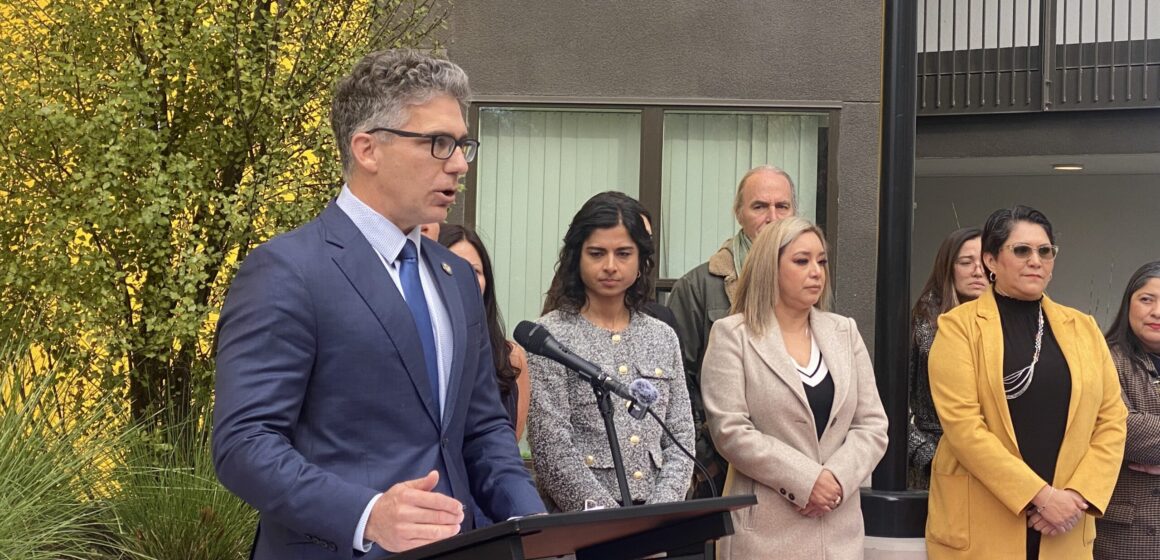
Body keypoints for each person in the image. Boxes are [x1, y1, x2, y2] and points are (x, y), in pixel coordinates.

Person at [212, 49, 545, 559]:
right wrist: (366, 515)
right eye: (438, 143)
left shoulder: (455, 278)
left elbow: (482, 431)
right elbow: (245, 444)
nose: (459, 164)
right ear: (367, 149)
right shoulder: (288, 270)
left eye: (461, 145)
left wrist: (533, 524)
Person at [926, 205, 1127, 559]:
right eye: (1021, 250)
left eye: (1045, 251)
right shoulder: (958, 328)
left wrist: (1076, 497)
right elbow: (963, 427)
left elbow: (1111, 420)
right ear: (990, 260)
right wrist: (1040, 496)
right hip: (984, 518)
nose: (1036, 260)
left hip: (1064, 522)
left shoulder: (1084, 328)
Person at [701, 217, 888, 559]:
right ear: (768, 267)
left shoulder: (844, 331)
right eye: (802, 261)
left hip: (838, 527)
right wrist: (805, 481)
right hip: (766, 532)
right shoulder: (733, 335)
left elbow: (872, 425)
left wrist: (835, 479)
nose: (816, 271)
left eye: (822, 261)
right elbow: (730, 431)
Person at [527, 191, 695, 512]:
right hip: (582, 525)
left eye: (623, 254)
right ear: (577, 256)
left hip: (658, 521)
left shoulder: (662, 336)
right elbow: (552, 449)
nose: (610, 266)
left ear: (641, 261)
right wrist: (612, 522)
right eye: (596, 253)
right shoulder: (550, 335)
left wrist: (659, 516)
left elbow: (680, 436)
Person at [667, 165, 797, 498]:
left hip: (796, 462)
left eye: (782, 206)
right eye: (759, 206)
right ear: (738, 213)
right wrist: (707, 460)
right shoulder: (698, 287)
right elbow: (678, 384)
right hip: (721, 467)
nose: (772, 217)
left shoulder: (810, 284)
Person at [907, 226, 986, 488]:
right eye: (966, 262)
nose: (978, 270)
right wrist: (928, 455)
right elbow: (890, 407)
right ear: (948, 267)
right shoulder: (922, 324)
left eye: (985, 261)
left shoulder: (1008, 324)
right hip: (937, 464)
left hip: (994, 464)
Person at [437, 224, 530, 440]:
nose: (463, 278)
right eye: (449, 267)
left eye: (474, 271)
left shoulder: (511, 358)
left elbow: (508, 446)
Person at [1094, 261, 1160, 560]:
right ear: (1128, 304)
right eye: (1147, 299)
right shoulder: (1104, 358)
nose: (1157, 311)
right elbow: (1123, 430)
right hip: (1126, 535)